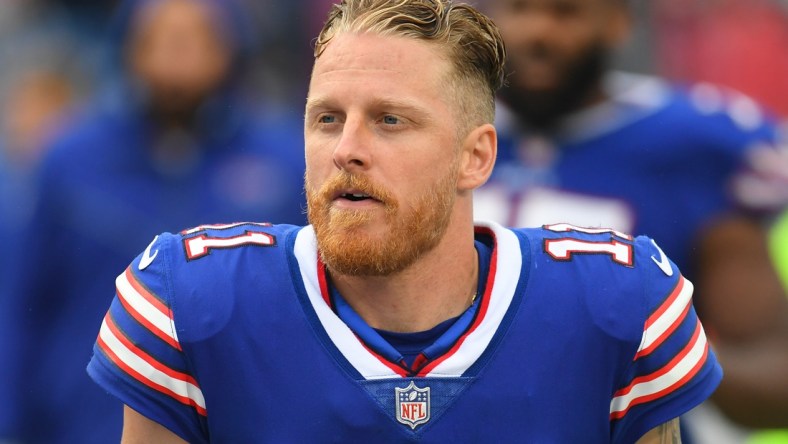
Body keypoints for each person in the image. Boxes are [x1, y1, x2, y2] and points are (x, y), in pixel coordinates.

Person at [86, 0, 721, 442]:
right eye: (327, 118)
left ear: (476, 157)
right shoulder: (191, 300)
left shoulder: (616, 303)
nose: (346, 149)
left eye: (391, 120)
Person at [475, 0, 788, 437]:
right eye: (518, 8)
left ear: (618, 22)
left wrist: (661, 344)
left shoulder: (694, 144)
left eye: (565, 12)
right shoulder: (431, 124)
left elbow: (775, 381)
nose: (537, 32)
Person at [0, 0, 306, 442]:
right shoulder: (70, 159)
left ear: (230, 47)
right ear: (129, 47)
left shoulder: (283, 161)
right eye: (160, 36)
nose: (177, 52)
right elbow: (23, 305)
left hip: (236, 418)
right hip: (83, 421)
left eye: (194, 36)